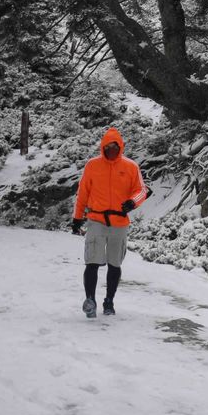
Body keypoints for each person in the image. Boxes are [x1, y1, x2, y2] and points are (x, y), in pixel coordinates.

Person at [70, 127, 148, 318]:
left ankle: (109, 301)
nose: (111, 150)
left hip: (120, 222)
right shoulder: (92, 166)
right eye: (108, 147)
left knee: (115, 264)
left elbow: (141, 191)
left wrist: (133, 202)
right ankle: (90, 300)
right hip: (96, 219)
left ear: (120, 147)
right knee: (92, 262)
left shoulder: (131, 167)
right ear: (102, 147)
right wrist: (77, 218)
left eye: (115, 147)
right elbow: (83, 193)